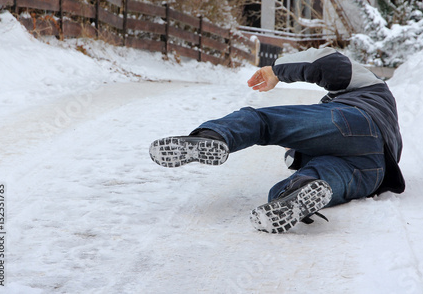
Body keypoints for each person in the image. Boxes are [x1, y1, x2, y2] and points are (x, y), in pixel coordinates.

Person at [150, 47, 405, 234]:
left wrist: (275, 71)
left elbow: (329, 63)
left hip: (358, 121)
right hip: (376, 169)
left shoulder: (371, 87)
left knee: (263, 122)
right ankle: (295, 195)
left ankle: (213, 136)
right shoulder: (390, 128)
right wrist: (297, 149)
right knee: (309, 179)